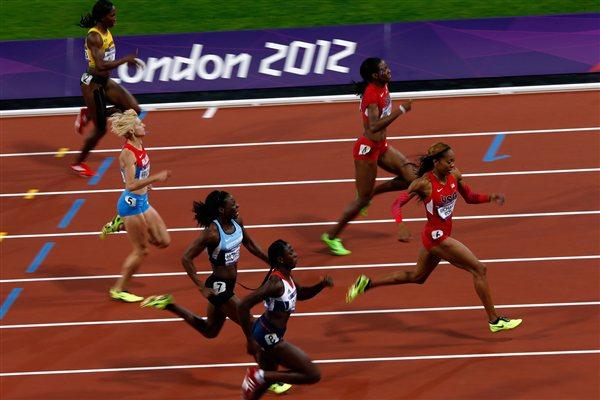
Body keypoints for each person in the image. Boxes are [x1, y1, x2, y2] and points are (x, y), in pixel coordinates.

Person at [346, 143, 523, 333]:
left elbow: (470, 197)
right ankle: (494, 321)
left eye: (453, 161)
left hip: (439, 235)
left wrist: (490, 197)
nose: (452, 165)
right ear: (436, 162)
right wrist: (401, 225)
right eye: (449, 161)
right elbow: (396, 204)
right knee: (479, 269)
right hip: (435, 238)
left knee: (417, 277)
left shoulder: (454, 174)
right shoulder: (425, 183)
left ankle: (367, 283)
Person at [322, 57, 415, 256]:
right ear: (374, 75)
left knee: (413, 178)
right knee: (361, 202)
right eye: (384, 69)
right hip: (368, 150)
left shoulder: (383, 85)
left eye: (387, 66)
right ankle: (332, 236)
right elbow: (373, 127)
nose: (388, 71)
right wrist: (401, 110)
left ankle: (370, 193)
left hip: (382, 146)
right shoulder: (372, 96)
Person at [237, 240, 334, 400]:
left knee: (265, 382)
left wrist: (320, 285)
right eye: (291, 252)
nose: (295, 254)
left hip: (267, 333)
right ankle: (257, 375)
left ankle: (259, 378)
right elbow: (242, 306)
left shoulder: (286, 277)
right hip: (269, 337)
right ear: (281, 259)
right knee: (312, 374)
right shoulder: (275, 283)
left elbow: (301, 293)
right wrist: (249, 339)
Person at [71, 0, 143, 177]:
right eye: (112, 15)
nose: (115, 19)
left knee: (134, 109)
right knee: (100, 129)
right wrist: (126, 60)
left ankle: (89, 114)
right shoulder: (94, 37)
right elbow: (101, 65)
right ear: (102, 18)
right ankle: (78, 163)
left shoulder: (106, 31)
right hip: (92, 84)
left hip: (104, 82)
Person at [108, 109, 171, 302]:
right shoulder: (128, 153)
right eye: (139, 124)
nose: (143, 125)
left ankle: (120, 223)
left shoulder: (139, 143)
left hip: (143, 202)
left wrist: (131, 112)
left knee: (163, 241)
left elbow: (138, 176)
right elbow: (130, 185)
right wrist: (156, 177)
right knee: (142, 250)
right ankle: (118, 289)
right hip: (131, 205)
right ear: (132, 131)